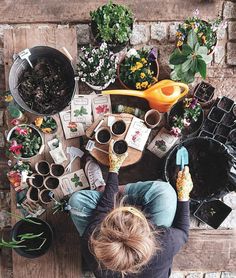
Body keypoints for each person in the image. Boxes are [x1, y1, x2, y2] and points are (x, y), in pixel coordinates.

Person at [69, 140, 193, 278]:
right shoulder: (165, 244)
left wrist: (114, 169)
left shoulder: (92, 244)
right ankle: (104, 190)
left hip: (102, 242)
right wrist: (183, 194)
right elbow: (183, 231)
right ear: (148, 229)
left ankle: (100, 189)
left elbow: (103, 209)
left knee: (76, 202)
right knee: (165, 192)